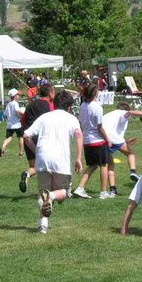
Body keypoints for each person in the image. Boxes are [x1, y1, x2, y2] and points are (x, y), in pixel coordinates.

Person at [23, 90, 84, 234]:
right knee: (63, 193)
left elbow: (26, 135)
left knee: (43, 193)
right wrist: (78, 158)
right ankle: (51, 197)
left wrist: (36, 150)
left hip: (42, 159)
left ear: (53, 103)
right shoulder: (71, 118)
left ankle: (42, 225)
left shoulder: (44, 117)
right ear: (69, 107)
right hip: (60, 160)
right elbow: (79, 134)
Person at [103, 102, 142, 196]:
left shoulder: (109, 115)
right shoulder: (122, 112)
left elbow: (113, 131)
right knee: (131, 154)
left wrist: (126, 142)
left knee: (110, 164)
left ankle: (112, 190)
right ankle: (133, 172)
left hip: (102, 139)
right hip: (112, 138)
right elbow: (129, 113)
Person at [73, 84, 111, 199]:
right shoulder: (97, 107)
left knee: (92, 165)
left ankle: (80, 188)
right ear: (95, 93)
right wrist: (107, 139)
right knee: (103, 165)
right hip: (97, 140)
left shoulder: (83, 106)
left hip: (87, 140)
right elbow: (100, 127)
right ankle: (103, 192)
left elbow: (81, 122)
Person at [19, 84, 55, 193]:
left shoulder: (30, 105)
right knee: (49, 164)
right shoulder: (50, 105)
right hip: (40, 138)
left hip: (27, 136)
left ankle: (27, 174)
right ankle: (51, 190)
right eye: (54, 92)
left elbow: (23, 121)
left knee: (34, 165)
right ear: (50, 93)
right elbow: (53, 121)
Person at [0, 88, 24, 157]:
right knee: (21, 137)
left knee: (9, 138)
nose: (19, 96)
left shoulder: (8, 104)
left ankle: (3, 147)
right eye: (18, 95)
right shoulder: (15, 103)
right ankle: (21, 153)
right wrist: (24, 114)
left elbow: (5, 114)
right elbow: (17, 111)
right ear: (15, 96)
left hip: (9, 125)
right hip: (17, 124)